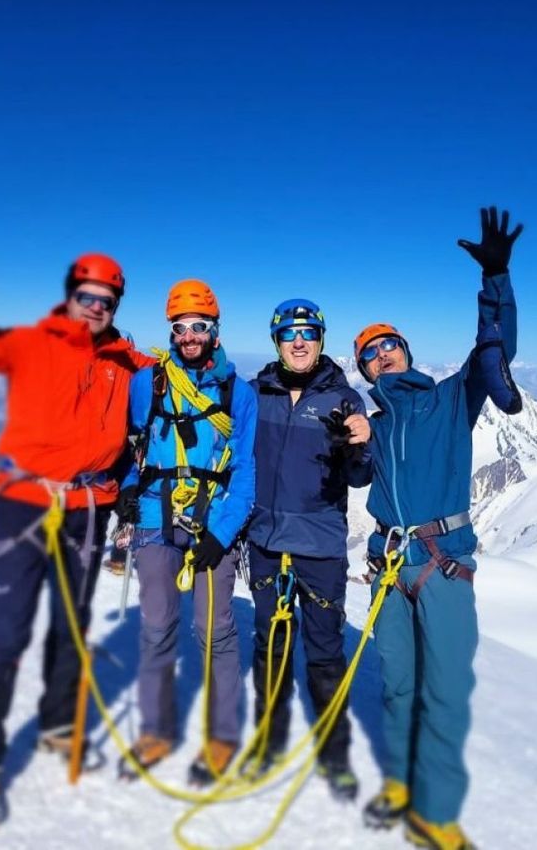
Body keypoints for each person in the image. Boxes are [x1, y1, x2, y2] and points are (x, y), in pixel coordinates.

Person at [0, 223, 153, 827]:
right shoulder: (30, 343)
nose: (96, 308)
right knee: (6, 636)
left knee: (72, 631)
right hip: (23, 505)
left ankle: (57, 726)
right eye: (88, 297)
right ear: (69, 296)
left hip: (87, 510)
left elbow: (183, 377)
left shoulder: (128, 363)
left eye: (107, 301)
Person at [358, 207, 524, 850]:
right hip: (386, 565)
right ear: (366, 370)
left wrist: (497, 281)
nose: (381, 354)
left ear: (405, 351)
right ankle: (400, 782)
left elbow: (494, 354)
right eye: (369, 353)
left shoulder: (450, 397)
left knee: (447, 689)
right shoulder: (373, 422)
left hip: (442, 561)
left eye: (388, 343)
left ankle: (436, 812)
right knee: (399, 683)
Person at [113, 279, 257, 787]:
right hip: (155, 520)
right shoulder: (148, 384)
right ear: (171, 332)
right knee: (156, 628)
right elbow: (139, 451)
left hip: (211, 521)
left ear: (215, 331)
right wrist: (129, 487)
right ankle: (156, 731)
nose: (190, 335)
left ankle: (221, 737)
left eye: (200, 326)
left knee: (214, 631)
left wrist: (220, 534)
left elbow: (245, 473)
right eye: (181, 327)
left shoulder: (240, 393)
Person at [245, 299, 371, 799]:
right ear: (277, 340)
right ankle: (269, 743)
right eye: (290, 333)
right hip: (266, 544)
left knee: (323, 652)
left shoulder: (344, 400)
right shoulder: (256, 395)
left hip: (319, 546)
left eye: (309, 333)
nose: (300, 342)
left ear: (320, 340)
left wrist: (358, 445)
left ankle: (333, 753)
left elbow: (360, 477)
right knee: (270, 645)